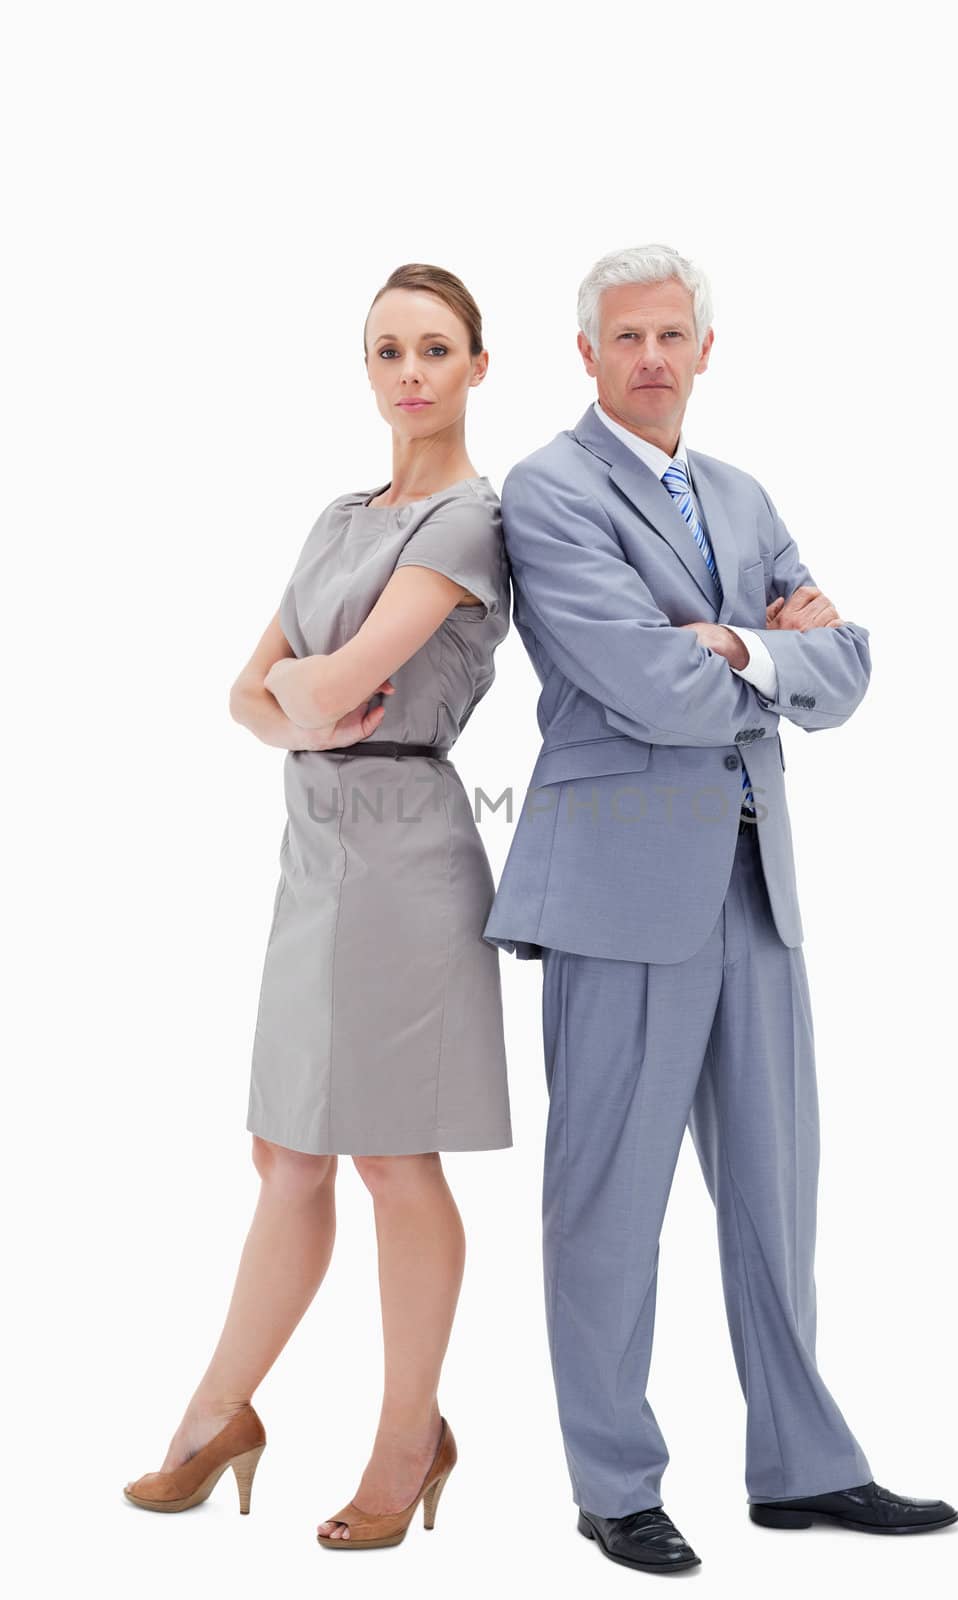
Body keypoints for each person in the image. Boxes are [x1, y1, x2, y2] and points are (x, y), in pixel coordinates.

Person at [482, 243, 958, 1573]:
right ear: (586, 354)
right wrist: (770, 652)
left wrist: (742, 643)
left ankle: (806, 1468)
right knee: (606, 1209)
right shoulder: (549, 489)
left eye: (670, 335)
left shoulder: (741, 495)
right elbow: (646, 688)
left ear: (705, 349)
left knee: (775, 1197)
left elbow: (853, 667)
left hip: (756, 886)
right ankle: (613, 1483)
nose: (649, 356)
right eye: (624, 336)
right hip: (622, 889)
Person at [123, 263, 512, 1552]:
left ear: (476, 367)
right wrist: (291, 701)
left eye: (435, 350)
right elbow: (246, 693)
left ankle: (412, 1438)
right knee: (285, 1154)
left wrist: (298, 696)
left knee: (397, 1157)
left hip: (405, 853)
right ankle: (214, 1416)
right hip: (312, 850)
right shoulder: (341, 515)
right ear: (368, 371)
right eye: (389, 351)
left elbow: (333, 675)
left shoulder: (467, 519)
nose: (411, 373)